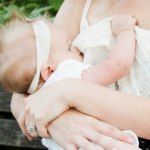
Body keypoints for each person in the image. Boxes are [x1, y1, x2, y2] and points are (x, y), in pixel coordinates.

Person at [11, 0, 150, 149]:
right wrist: (60, 120)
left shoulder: (69, 81)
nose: (78, 51)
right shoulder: (78, 3)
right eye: (70, 47)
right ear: (49, 71)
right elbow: (20, 96)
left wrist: (71, 93)